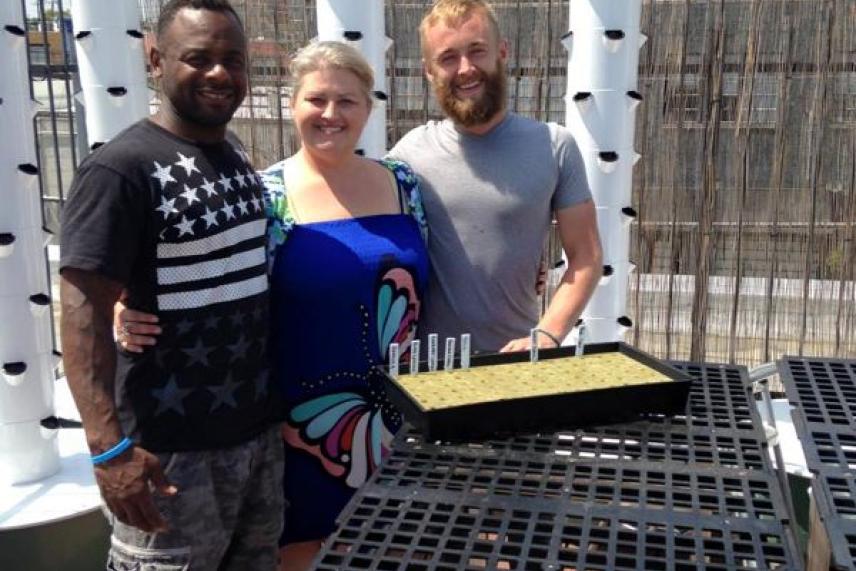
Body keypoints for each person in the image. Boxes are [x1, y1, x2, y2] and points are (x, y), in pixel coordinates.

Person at [59, 1, 283, 569]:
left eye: (232, 59)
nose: (219, 74)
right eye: (198, 58)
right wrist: (109, 451)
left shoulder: (232, 157)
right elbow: (82, 313)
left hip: (254, 442)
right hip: (169, 459)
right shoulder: (121, 169)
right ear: (155, 59)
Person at [262, 42, 429, 570]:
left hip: (402, 411)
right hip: (307, 423)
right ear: (292, 105)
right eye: (316, 99)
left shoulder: (402, 184)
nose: (330, 114)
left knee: (399, 538)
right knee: (303, 547)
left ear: (368, 109)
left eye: (347, 101)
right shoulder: (267, 195)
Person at [387, 0, 603, 353]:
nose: (466, 68)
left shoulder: (554, 146)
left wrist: (547, 335)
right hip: (427, 374)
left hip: (516, 370)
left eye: (477, 51)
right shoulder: (407, 157)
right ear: (428, 71)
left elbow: (587, 257)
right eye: (448, 58)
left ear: (502, 52)